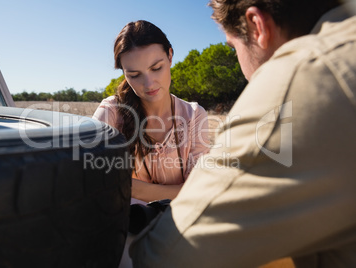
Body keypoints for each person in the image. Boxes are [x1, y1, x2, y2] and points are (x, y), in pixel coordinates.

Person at [129, 0, 356, 267]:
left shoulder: (300, 76)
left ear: (257, 25)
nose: (148, 82)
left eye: (232, 46)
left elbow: (165, 257)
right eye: (134, 74)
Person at [93, 20, 210, 203]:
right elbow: (92, 182)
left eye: (156, 68)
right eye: (134, 75)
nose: (149, 84)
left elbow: (199, 190)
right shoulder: (111, 113)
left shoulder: (194, 115)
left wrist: (131, 187)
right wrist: (178, 191)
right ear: (124, 73)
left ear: (170, 56)